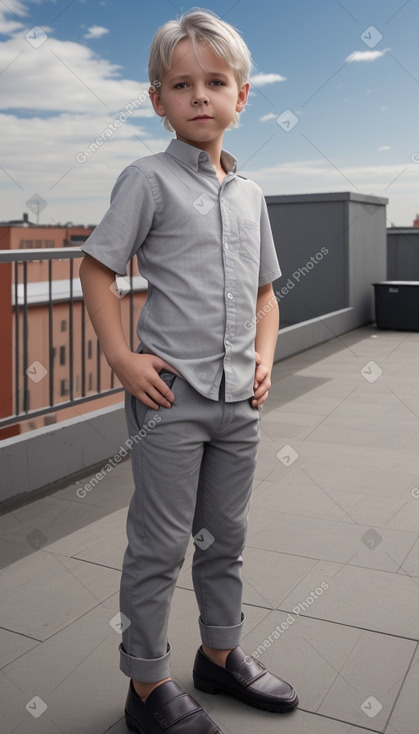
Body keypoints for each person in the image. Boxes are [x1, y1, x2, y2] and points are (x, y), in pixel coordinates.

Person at [79, 9, 298, 734]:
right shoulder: (145, 180)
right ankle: (145, 684)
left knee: (224, 537)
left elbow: (267, 295)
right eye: (181, 84)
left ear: (241, 95)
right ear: (157, 101)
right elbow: (97, 270)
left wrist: (265, 358)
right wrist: (120, 356)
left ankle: (220, 654)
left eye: (214, 82)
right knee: (159, 543)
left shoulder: (252, 195)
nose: (198, 96)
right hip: (170, 397)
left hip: (242, 400)